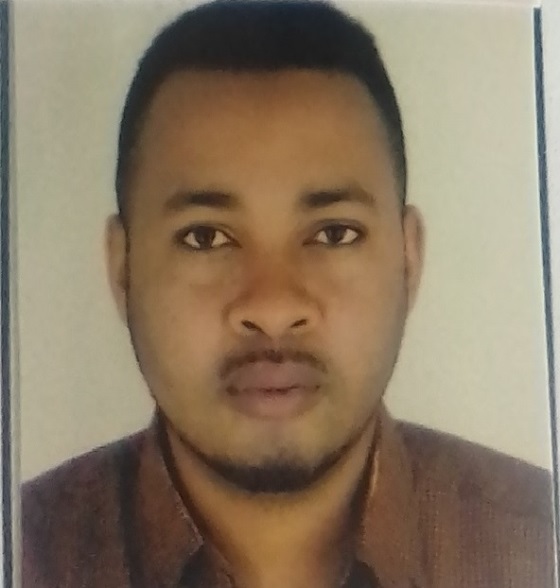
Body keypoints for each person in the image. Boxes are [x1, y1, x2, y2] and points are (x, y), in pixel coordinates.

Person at [21, 1, 555, 587]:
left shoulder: (538, 546)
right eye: (206, 238)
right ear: (123, 268)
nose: (273, 308)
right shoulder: (23, 556)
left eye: (333, 234)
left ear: (408, 259)